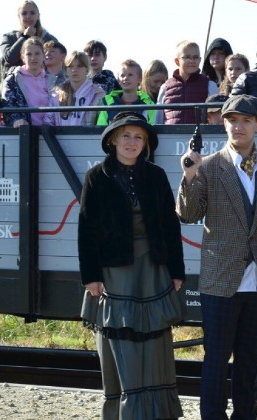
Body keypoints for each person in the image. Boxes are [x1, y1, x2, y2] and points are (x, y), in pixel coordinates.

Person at [177, 94, 257, 420]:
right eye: (232, 119)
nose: (238, 126)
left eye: (246, 120)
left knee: (249, 362)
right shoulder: (209, 166)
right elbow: (188, 214)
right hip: (220, 281)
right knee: (215, 360)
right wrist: (188, 176)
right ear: (223, 123)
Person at [78, 112, 185, 419]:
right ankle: (125, 411)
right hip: (115, 271)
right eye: (126, 136)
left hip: (153, 269)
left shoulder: (156, 175)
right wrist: (91, 277)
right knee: (121, 342)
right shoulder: (96, 177)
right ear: (112, 140)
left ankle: (155, 412)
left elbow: (169, 225)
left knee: (154, 343)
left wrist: (176, 271)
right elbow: (87, 229)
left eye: (139, 137)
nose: (132, 142)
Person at [155, 40, 219, 124]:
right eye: (187, 57)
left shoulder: (210, 85)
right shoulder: (165, 87)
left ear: (200, 60)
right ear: (177, 61)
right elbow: (159, 119)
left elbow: (216, 118)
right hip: (171, 136)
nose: (192, 61)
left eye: (195, 57)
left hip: (200, 136)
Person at [2, 37, 53, 127]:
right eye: (29, 54)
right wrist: (17, 120)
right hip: (24, 133)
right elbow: (8, 106)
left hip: (52, 132)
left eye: (37, 53)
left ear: (44, 55)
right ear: (22, 57)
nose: (33, 58)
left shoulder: (53, 80)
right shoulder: (12, 80)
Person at [49, 51, 106, 126]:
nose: (74, 70)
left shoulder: (98, 93)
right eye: (70, 66)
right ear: (66, 70)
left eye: (79, 66)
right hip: (60, 137)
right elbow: (48, 121)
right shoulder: (56, 94)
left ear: (87, 69)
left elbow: (103, 124)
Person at [0, 0, 57, 72]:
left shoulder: (49, 40)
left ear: (38, 15)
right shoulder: (9, 37)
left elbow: (58, 62)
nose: (28, 16)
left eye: (32, 13)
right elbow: (10, 59)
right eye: (24, 13)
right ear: (19, 16)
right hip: (15, 82)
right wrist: (25, 37)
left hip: (42, 81)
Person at [97, 60, 156, 126]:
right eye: (122, 75)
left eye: (130, 75)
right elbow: (100, 129)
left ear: (140, 79)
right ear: (118, 80)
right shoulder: (108, 104)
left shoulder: (149, 105)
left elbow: (154, 128)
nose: (125, 78)